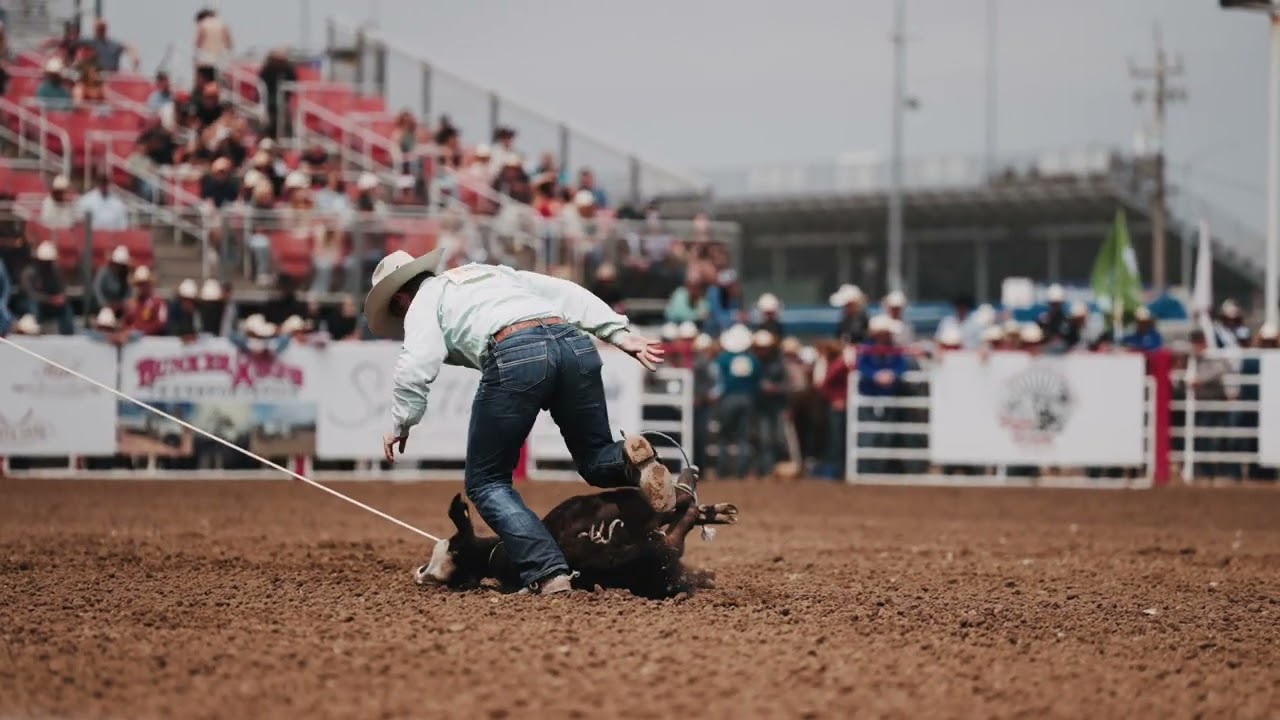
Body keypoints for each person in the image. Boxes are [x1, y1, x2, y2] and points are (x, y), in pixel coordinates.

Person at [364, 249, 674, 596]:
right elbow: (566, 292)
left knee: (485, 481)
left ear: (402, 298)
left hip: (516, 352)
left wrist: (402, 421)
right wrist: (618, 333)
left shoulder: (425, 299)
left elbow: (417, 361)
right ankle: (631, 461)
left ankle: (548, 572)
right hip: (575, 346)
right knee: (595, 456)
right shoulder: (490, 273)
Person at [855, 315, 908, 475]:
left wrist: (892, 375)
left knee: (886, 435)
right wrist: (875, 375)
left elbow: (902, 366)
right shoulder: (866, 349)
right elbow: (861, 366)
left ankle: (880, 469)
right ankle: (865, 469)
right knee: (868, 434)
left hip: (888, 397)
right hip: (869, 397)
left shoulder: (894, 349)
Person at [711, 324, 760, 480]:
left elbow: (717, 378)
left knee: (724, 435)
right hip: (747, 398)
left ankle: (722, 469)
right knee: (743, 436)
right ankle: (741, 470)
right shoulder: (752, 359)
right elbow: (757, 378)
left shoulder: (723, 359)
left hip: (729, 398)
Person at [753, 330, 788, 477]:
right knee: (763, 439)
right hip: (759, 406)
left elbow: (786, 385)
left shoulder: (778, 363)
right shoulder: (754, 362)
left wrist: (775, 388)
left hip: (774, 406)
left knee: (775, 438)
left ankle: (769, 468)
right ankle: (763, 468)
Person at [20, 242, 73, 335]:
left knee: (66, 306)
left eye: (49, 262)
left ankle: (68, 330)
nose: (47, 264)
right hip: (34, 303)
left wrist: (61, 297)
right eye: (45, 262)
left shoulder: (55, 271)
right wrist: (49, 299)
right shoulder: (29, 273)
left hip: (51, 302)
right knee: (33, 304)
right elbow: (30, 294)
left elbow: (62, 287)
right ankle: (34, 328)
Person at [259, 49, 297, 138]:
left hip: (283, 100)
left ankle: (287, 137)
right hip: (270, 99)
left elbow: (293, 80)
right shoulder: (268, 68)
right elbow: (263, 79)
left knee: (286, 120)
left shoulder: (287, 69)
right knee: (271, 121)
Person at [121, 266, 168, 336]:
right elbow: (125, 323)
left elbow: (161, 323)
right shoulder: (131, 303)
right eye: (139, 284)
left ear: (150, 284)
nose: (142, 287)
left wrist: (141, 331)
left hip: (152, 341)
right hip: (133, 342)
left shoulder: (159, 302)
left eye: (145, 283)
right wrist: (128, 331)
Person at [194, 8, 233, 80]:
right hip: (221, 60)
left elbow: (197, 44)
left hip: (206, 60)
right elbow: (229, 43)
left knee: (208, 81)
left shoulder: (203, 24)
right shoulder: (222, 24)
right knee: (220, 80)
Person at [92, 245, 132, 314]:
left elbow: (129, 293)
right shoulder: (103, 272)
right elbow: (97, 290)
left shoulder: (125, 275)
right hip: (102, 309)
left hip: (120, 309)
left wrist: (121, 304)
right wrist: (105, 305)